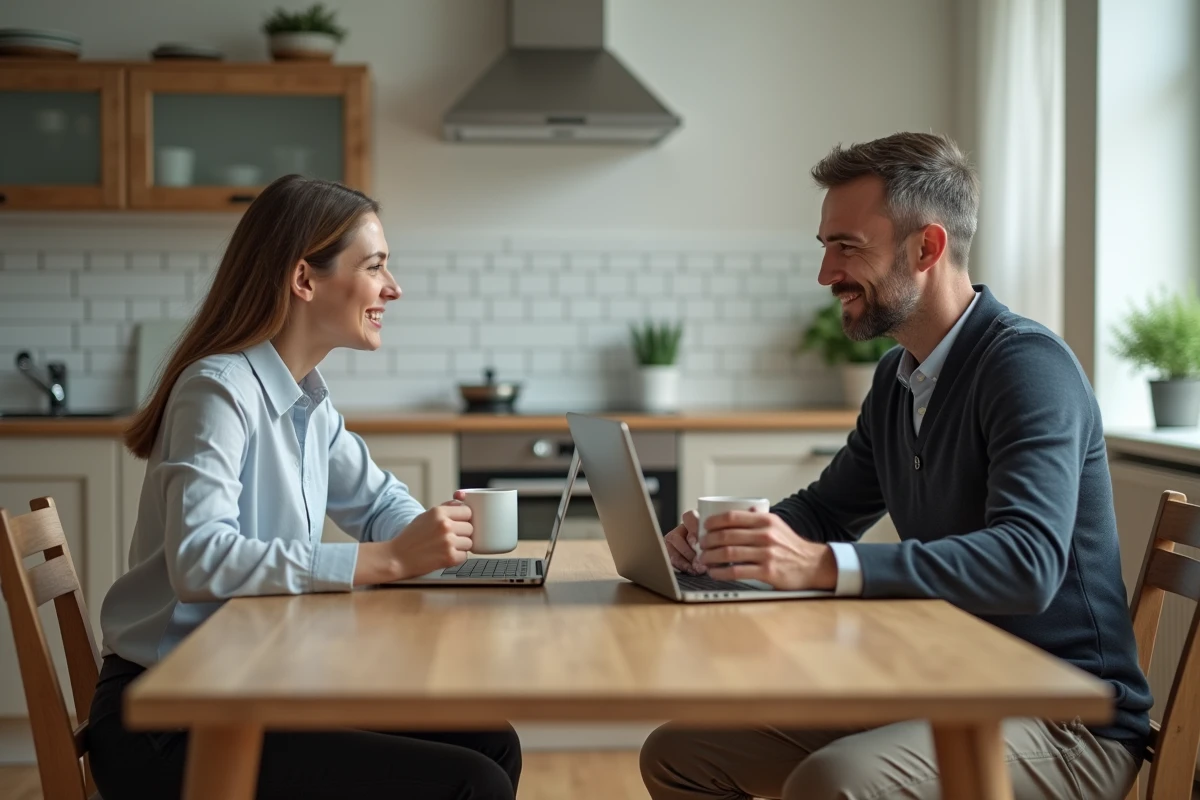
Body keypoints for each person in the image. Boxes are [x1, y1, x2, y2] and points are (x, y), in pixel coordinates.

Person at [641, 133, 1151, 800]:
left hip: (1066, 718)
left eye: (846, 247)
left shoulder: (1027, 367)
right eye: (825, 247)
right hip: (945, 686)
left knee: (833, 782)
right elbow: (827, 512)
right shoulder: (899, 378)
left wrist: (820, 566)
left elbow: (1027, 563)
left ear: (926, 248)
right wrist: (730, 542)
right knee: (680, 754)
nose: (826, 274)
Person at [88, 175, 522, 800]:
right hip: (169, 717)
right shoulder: (218, 390)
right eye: (374, 266)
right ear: (304, 279)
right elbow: (200, 559)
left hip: (250, 686)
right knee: (472, 782)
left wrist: (431, 535)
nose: (392, 288)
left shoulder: (307, 401)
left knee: (492, 741)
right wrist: (388, 559)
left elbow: (377, 501)